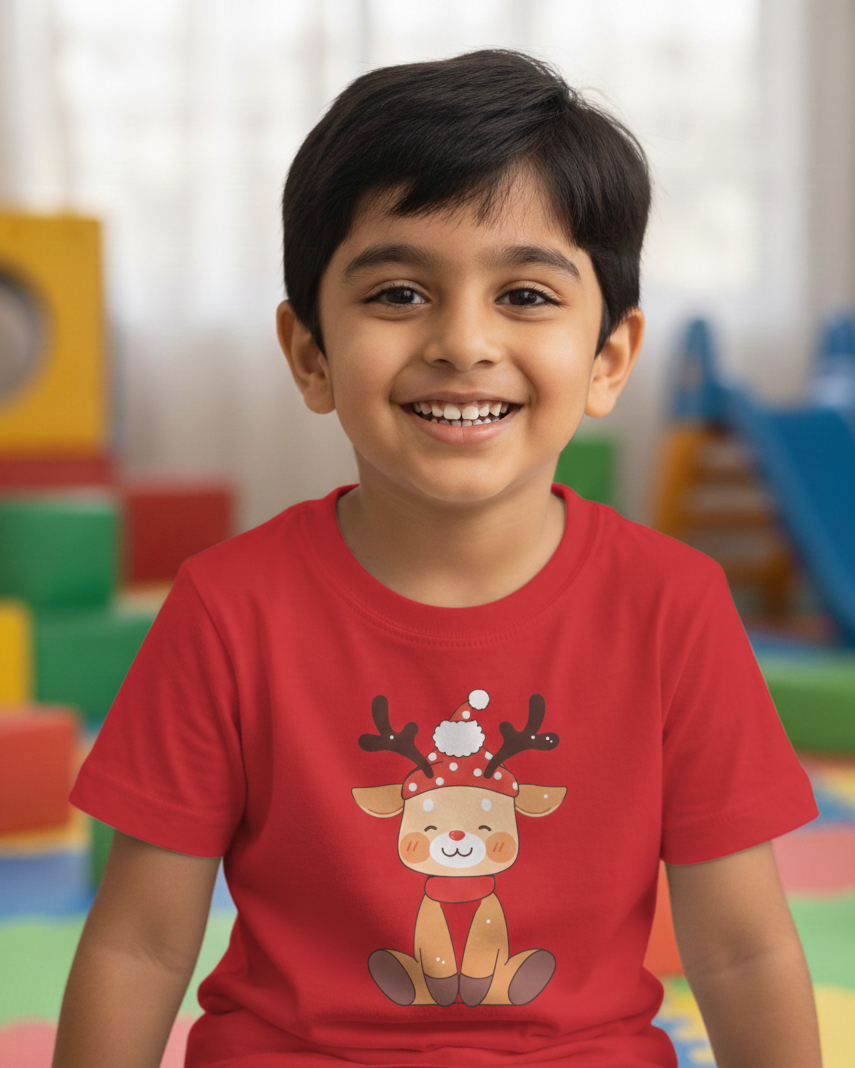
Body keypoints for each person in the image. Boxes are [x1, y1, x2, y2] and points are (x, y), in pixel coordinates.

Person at [54, 50, 822, 1068]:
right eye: (401, 292)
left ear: (609, 359)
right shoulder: (227, 607)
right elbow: (141, 945)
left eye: (528, 297)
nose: (464, 342)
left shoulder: (673, 605)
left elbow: (741, 948)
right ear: (310, 354)